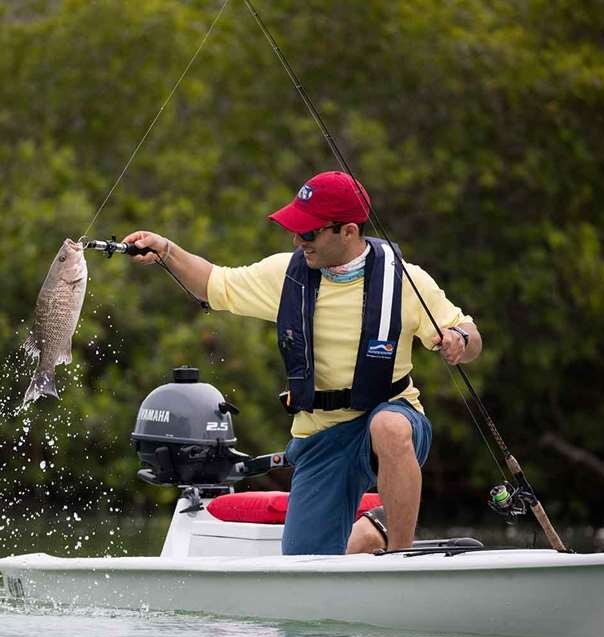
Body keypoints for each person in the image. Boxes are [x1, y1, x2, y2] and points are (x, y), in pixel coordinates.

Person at [123, 171, 481, 555]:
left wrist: (460, 340)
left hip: (392, 419)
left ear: (347, 232)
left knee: (389, 426)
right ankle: (368, 534)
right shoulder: (285, 275)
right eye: (295, 230)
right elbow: (215, 283)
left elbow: (468, 333)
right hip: (320, 439)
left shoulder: (407, 280)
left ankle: (398, 556)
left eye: (308, 233)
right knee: (306, 559)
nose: (297, 240)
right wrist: (166, 250)